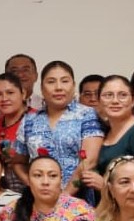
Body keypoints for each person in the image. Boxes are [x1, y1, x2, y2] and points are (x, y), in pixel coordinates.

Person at [13, 61, 102, 197]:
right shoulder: (29, 120)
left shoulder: (87, 115)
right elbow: (18, 161)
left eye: (65, 81)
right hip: (39, 200)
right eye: (51, 82)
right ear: (42, 88)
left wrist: (64, 196)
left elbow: (89, 161)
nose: (58, 87)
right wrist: (32, 184)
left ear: (73, 86)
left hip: (78, 199)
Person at [77, 76, 134, 202]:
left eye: (122, 95)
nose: (115, 101)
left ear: (133, 100)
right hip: (106, 210)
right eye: (108, 95)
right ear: (99, 101)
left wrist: (104, 186)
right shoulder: (104, 130)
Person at [0, 54, 43, 121]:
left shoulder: (45, 105)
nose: (20, 75)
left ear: (36, 76)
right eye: (14, 71)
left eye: (25, 70)